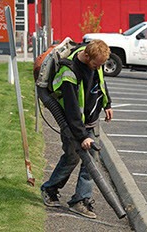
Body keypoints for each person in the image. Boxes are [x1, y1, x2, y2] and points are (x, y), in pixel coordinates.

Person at [41, 39, 113, 219]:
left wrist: (107, 104)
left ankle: (80, 200)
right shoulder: (69, 72)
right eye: (96, 65)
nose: (98, 68)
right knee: (72, 157)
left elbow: (101, 84)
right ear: (86, 56)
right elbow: (72, 109)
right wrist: (82, 136)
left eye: (100, 65)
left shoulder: (96, 62)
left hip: (91, 120)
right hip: (73, 123)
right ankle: (50, 188)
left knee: (92, 159)